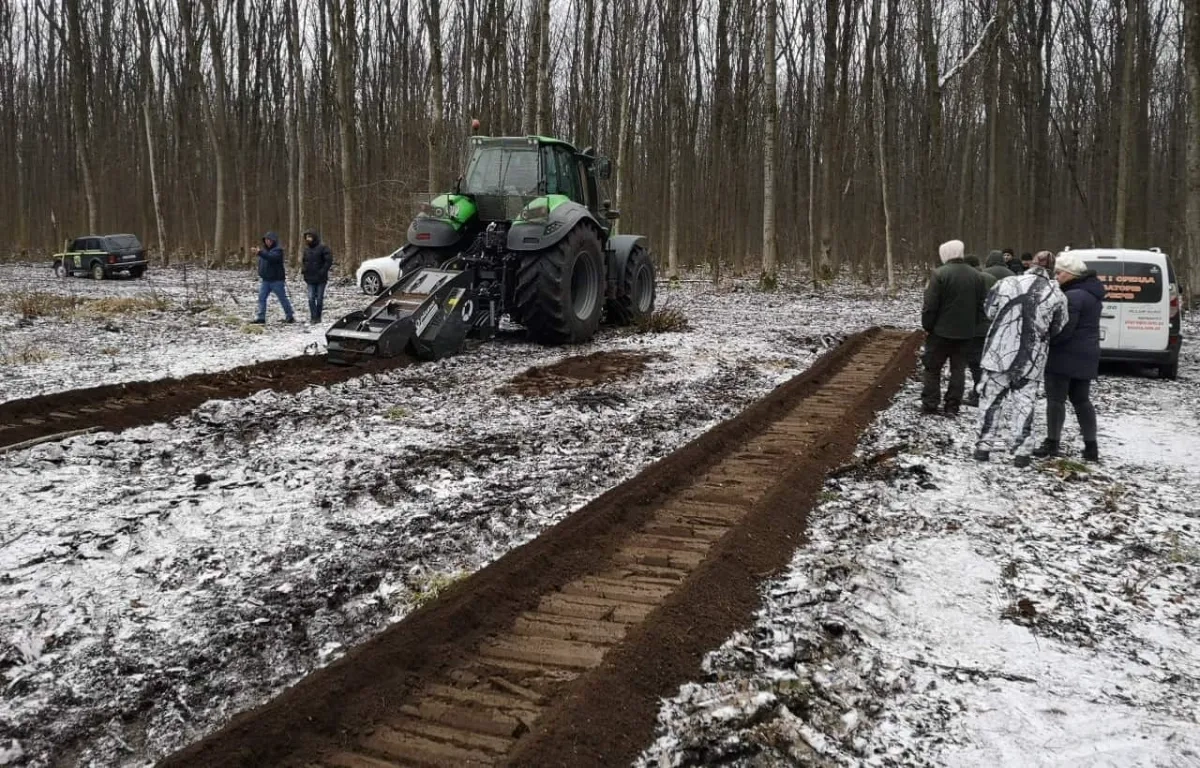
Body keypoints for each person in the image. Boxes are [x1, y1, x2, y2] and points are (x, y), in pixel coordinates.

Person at [974, 251, 1068, 467]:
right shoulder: (1057, 294)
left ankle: (983, 447)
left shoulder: (1006, 283)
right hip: (1031, 358)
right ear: (1052, 269)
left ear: (1031, 264)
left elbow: (989, 311)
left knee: (990, 402)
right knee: (1024, 405)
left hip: (998, 354)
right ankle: (1022, 453)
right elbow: (1058, 327)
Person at [1033, 252, 1104, 461]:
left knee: (1056, 400)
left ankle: (1052, 442)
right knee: (1081, 400)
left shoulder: (1072, 296)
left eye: (1060, 273)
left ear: (1071, 274)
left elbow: (1064, 330)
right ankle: (1091, 446)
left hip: (1065, 355)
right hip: (1087, 354)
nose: (1056, 277)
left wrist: (1047, 340)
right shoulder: (1092, 294)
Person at [921, 239, 988, 416]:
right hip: (966, 333)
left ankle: (930, 403)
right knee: (958, 370)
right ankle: (952, 406)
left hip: (940, 332)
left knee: (932, 368)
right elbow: (982, 306)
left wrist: (927, 326)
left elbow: (930, 305)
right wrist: (973, 326)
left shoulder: (939, 274)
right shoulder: (977, 276)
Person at [966, 258, 999, 406]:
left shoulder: (970, 280)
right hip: (992, 325)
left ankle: (979, 394)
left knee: (975, 363)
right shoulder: (991, 278)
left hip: (977, 327)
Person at [252, 231, 295, 324]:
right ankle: (261, 317)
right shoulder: (264, 251)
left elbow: (271, 258)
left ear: (274, 241)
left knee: (282, 298)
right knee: (261, 298)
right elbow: (263, 262)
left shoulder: (278, 251)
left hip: (277, 280)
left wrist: (260, 253)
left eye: (269, 240)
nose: (268, 242)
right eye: (266, 240)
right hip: (266, 280)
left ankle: (290, 316)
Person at [301, 229, 334, 324]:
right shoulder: (306, 249)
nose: (308, 239)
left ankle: (318, 317)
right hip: (310, 278)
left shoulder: (323, 248)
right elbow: (304, 261)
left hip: (321, 278)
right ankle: (313, 317)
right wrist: (304, 270)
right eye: (307, 237)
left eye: (310, 237)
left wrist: (323, 271)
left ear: (314, 237)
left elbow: (328, 261)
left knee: (319, 299)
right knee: (311, 298)